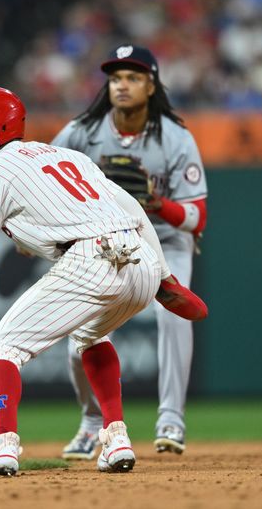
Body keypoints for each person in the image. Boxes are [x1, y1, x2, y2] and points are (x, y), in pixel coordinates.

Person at [0, 85, 206, 476]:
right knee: (91, 336)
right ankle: (116, 437)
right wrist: (163, 277)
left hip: (91, 258)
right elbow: (133, 209)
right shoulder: (65, 154)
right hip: (139, 257)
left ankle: (2, 445)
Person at [52, 44, 208, 458]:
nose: (122, 85)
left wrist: (158, 204)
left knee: (173, 317)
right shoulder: (82, 131)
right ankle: (90, 422)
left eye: (133, 77)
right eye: (116, 77)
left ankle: (171, 416)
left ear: (151, 85)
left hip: (163, 240)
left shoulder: (175, 138)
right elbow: (45, 181)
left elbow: (197, 218)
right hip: (105, 241)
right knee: (80, 335)